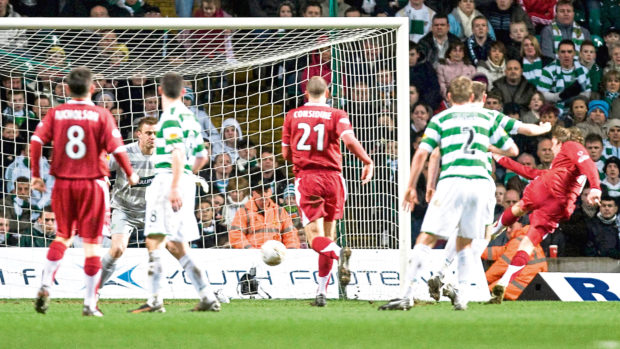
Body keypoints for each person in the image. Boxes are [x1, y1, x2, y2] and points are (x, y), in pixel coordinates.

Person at [379, 76, 519, 311]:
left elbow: (424, 153)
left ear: (450, 97)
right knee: (466, 241)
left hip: (452, 182)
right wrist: (487, 147)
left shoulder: (441, 119)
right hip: (480, 184)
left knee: (426, 238)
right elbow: (512, 149)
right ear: (473, 98)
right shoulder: (485, 118)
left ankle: (406, 295)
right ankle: (462, 297)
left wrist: (413, 186)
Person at [31, 67, 139, 317]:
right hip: (93, 184)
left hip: (64, 183)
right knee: (92, 244)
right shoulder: (101, 114)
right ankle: (90, 303)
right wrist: (130, 173)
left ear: (67, 89)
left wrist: (37, 174)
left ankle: (46, 284)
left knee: (63, 236)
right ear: (92, 89)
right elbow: (118, 149)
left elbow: (36, 141)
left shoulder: (56, 113)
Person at [282, 76, 373, 307]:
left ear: (305, 93)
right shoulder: (337, 114)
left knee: (316, 240)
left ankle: (338, 253)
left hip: (308, 178)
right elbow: (349, 141)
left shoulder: (292, 115)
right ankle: (321, 292)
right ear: (328, 94)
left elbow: (285, 155)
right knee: (328, 236)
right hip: (334, 179)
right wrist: (367, 161)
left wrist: (304, 157)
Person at [131, 72, 219, 313]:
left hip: (168, 181)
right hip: (186, 182)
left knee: (154, 239)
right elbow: (202, 157)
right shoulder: (190, 119)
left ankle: (155, 300)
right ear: (183, 92)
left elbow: (178, 153)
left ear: (160, 91)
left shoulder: (169, 118)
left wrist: (173, 187)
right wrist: (187, 178)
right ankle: (208, 295)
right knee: (178, 245)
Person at [489, 126, 602, 303]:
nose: (552, 150)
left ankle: (494, 229)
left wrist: (596, 187)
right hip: (561, 207)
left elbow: (588, 163)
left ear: (559, 142)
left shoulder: (571, 146)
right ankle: (504, 281)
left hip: (547, 188)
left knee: (520, 207)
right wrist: (500, 158)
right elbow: (530, 172)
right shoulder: (565, 168)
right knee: (527, 244)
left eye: (553, 146)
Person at [99, 117, 158, 288]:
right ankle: (95, 289)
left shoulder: (165, 154)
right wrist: (104, 176)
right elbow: (101, 164)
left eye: (155, 133)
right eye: (148, 133)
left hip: (151, 210)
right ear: (139, 134)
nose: (152, 137)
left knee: (173, 247)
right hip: (124, 208)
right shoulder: (123, 152)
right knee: (117, 249)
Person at [483, 223, 548, 300]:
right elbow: (500, 252)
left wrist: (481, 282)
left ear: (521, 226)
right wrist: (474, 250)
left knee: (483, 294)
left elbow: (500, 267)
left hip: (516, 289)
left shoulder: (518, 241)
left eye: (511, 226)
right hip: (529, 287)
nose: (508, 230)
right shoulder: (527, 239)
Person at [228, 182, 300, 249]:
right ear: (254, 193)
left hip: (276, 254)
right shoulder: (243, 211)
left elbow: (291, 234)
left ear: (270, 192)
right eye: (260, 192)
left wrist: (291, 251)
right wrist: (249, 249)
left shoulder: (280, 211)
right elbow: (236, 234)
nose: (263, 195)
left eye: (266, 191)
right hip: (252, 254)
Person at [538, 39, 591, 111]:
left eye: (569, 52)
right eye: (563, 52)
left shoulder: (584, 71)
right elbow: (541, 94)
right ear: (558, 54)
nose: (566, 55)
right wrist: (559, 96)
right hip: (554, 108)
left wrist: (573, 99)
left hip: (577, 108)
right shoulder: (548, 70)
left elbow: (587, 93)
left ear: (574, 53)